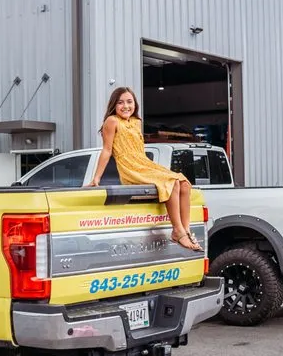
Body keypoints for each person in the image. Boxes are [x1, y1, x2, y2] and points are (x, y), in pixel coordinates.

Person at [85, 86, 202, 251]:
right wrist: (96, 178)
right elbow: (107, 150)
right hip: (130, 167)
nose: (126, 106)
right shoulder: (112, 121)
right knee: (172, 182)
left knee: (184, 183)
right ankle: (177, 230)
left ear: (135, 104)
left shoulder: (137, 122)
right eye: (120, 103)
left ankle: (186, 230)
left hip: (144, 163)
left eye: (129, 102)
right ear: (114, 105)